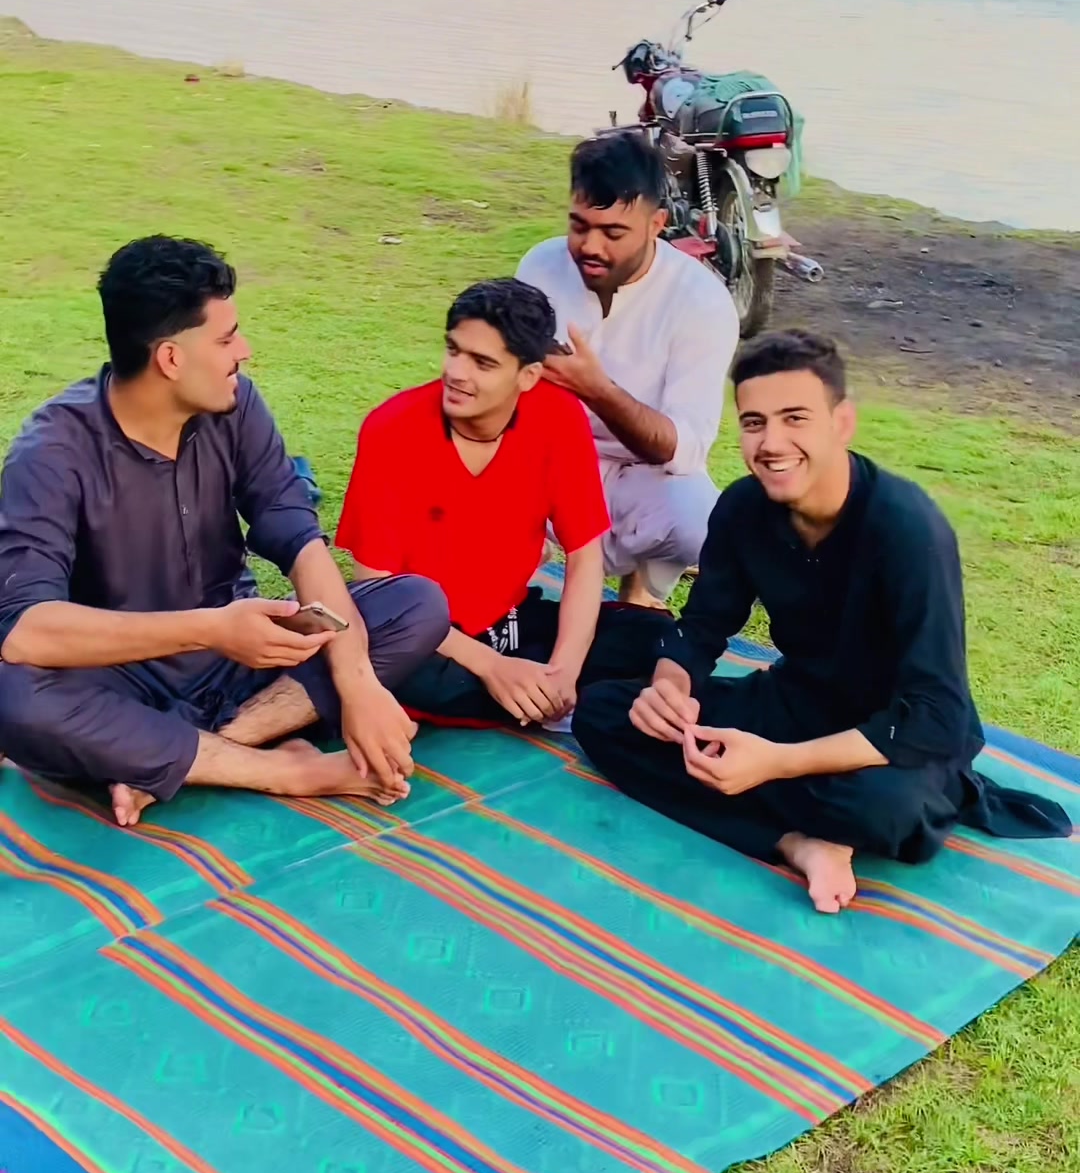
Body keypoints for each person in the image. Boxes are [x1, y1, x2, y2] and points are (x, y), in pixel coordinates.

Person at [574, 329, 1070, 914]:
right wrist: (669, 688)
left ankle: (808, 801)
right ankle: (796, 841)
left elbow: (936, 714)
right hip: (797, 702)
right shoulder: (743, 507)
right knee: (606, 712)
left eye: (795, 419)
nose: (771, 443)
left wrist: (774, 762)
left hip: (895, 731)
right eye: (754, 423)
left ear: (841, 423)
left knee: (886, 809)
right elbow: (702, 625)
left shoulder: (907, 528)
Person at [0, 237, 450, 824]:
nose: (244, 351)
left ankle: (190, 752)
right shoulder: (51, 453)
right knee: (13, 696)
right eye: (226, 338)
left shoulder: (236, 405)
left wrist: (357, 679)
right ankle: (284, 771)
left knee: (415, 604)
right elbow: (24, 632)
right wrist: (210, 629)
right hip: (124, 673)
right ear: (170, 359)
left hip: (242, 662)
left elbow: (299, 539)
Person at [335, 279, 668, 729]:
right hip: (423, 640)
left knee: (657, 639)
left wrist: (564, 672)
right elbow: (376, 590)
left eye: (483, 363)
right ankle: (525, 698)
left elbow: (584, 556)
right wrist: (492, 668)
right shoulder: (391, 430)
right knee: (379, 664)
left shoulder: (558, 416)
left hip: (509, 623)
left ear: (528, 375)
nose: (456, 372)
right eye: (453, 350)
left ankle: (534, 696)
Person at [515, 130, 739, 606]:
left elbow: (683, 450)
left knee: (702, 520)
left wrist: (598, 390)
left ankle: (640, 590)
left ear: (657, 224)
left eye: (613, 233)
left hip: (643, 473)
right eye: (579, 226)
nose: (591, 247)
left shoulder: (702, 302)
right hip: (548, 460)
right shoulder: (541, 265)